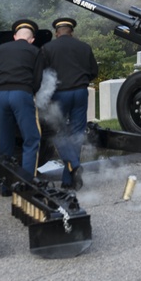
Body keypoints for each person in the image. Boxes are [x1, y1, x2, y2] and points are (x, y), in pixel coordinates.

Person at [36, 16, 99, 190]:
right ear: (72, 32)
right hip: (80, 92)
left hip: (60, 95)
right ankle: (69, 180)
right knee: (77, 133)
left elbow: (42, 75)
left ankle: (73, 166)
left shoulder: (47, 48)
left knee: (59, 132)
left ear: (57, 32)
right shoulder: (84, 47)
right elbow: (93, 71)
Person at [0, 19, 42, 192]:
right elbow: (37, 79)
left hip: (1, 95)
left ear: (14, 36)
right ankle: (25, 186)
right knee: (31, 139)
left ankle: (5, 186)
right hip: (21, 93)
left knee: (5, 141)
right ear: (32, 39)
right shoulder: (34, 51)